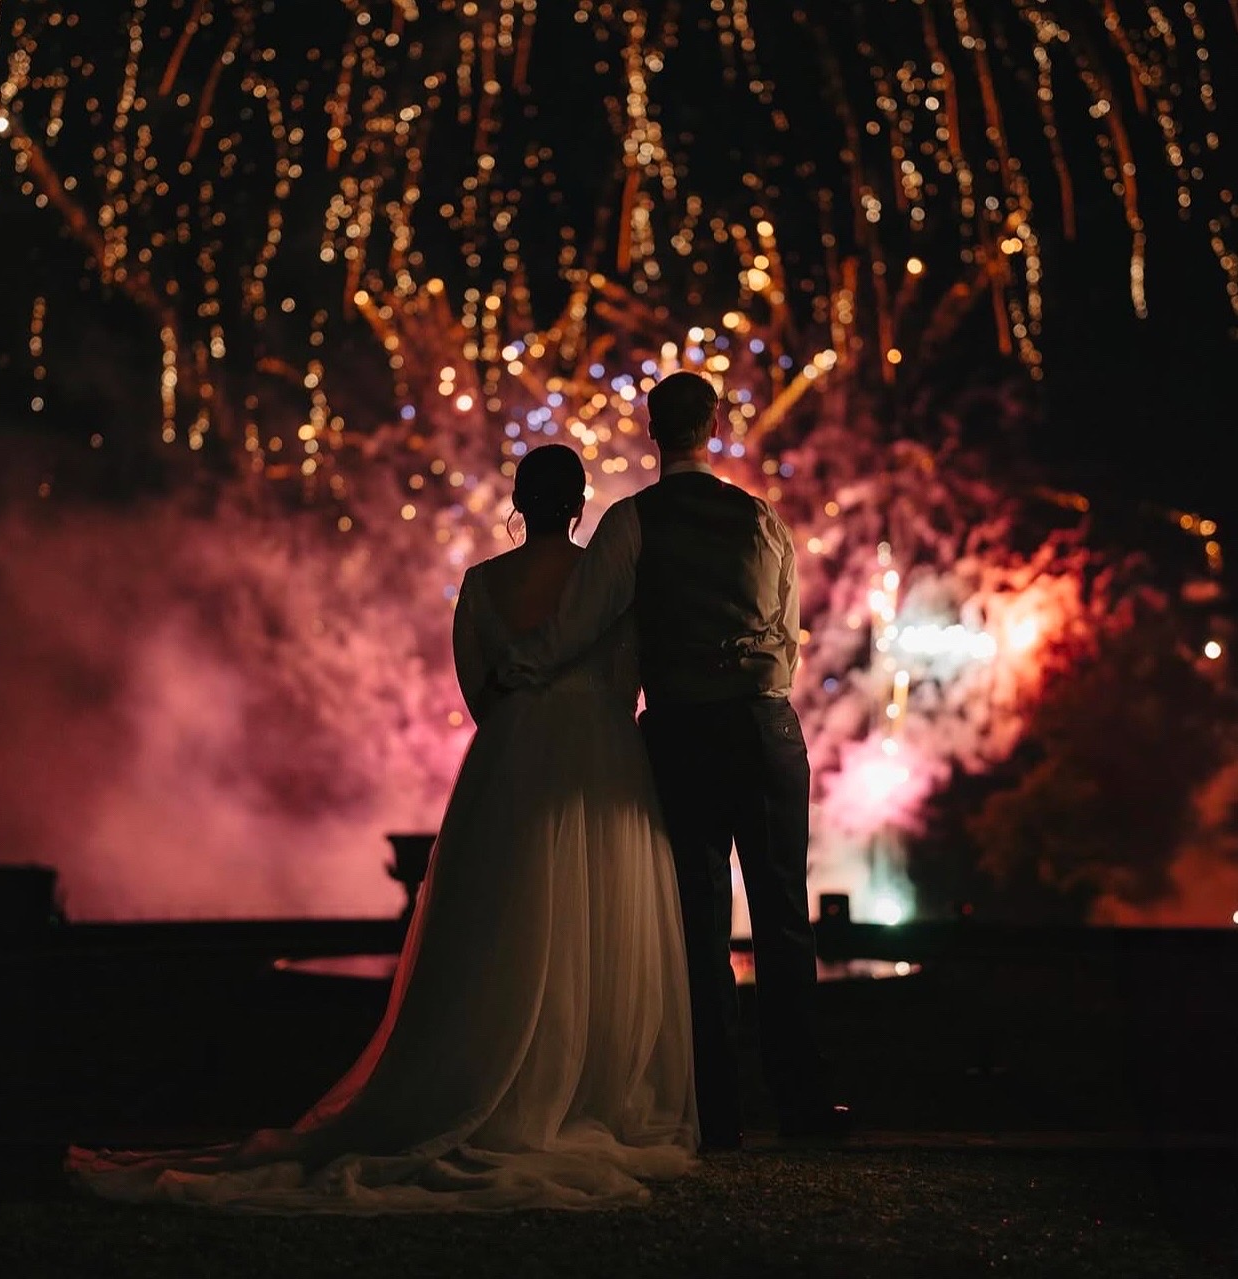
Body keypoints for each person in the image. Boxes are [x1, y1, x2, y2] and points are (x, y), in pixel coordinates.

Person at [67, 443, 697, 1212]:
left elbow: (478, 686)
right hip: (599, 755)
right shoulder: (608, 587)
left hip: (508, 757)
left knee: (504, 920)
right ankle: (585, 1089)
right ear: (578, 505)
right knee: (598, 921)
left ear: (519, 500)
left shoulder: (480, 583)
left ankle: (492, 1078)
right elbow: (628, 674)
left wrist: (519, 728)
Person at [498, 371, 848, 1150]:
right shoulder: (758, 517)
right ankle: (802, 1104)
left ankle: (715, 1111)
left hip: (683, 731)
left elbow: (581, 622)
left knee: (698, 923)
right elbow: (786, 632)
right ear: (714, 426)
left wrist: (521, 666)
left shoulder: (632, 522)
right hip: (763, 726)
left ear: (652, 431)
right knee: (784, 918)